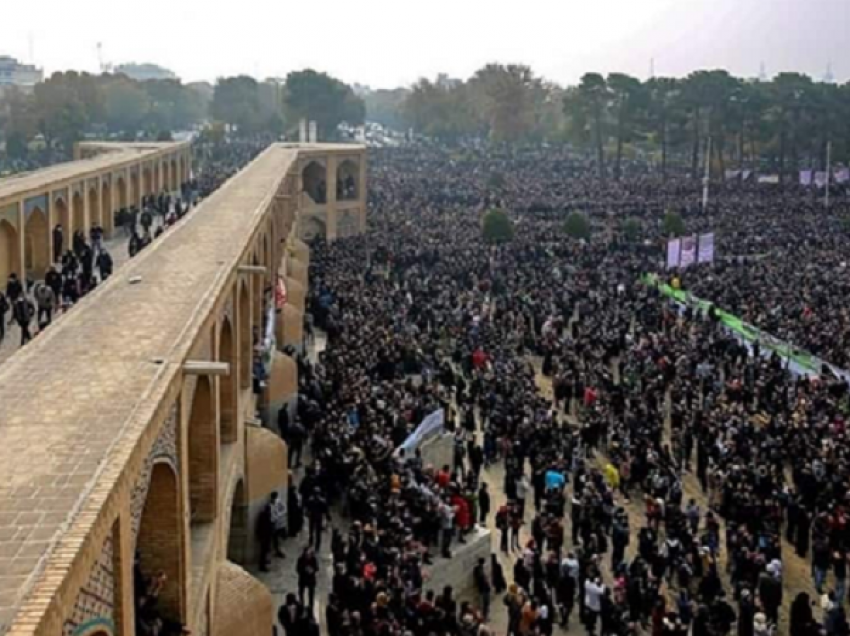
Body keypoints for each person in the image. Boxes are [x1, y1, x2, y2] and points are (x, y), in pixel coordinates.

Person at [296, 547, 318, 613]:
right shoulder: (300, 559)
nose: (309, 555)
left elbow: (317, 568)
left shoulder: (313, 559)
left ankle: (311, 606)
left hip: (311, 579)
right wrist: (304, 570)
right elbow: (297, 569)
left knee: (311, 594)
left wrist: (312, 570)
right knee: (301, 593)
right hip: (302, 579)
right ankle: (301, 605)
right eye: (307, 553)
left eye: (310, 554)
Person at [269, 491, 287, 559]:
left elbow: (284, 509)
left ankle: (280, 551)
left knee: (280, 539)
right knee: (275, 539)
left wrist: (279, 514)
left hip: (280, 524)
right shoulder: (271, 504)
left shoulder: (279, 502)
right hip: (275, 525)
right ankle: (277, 551)